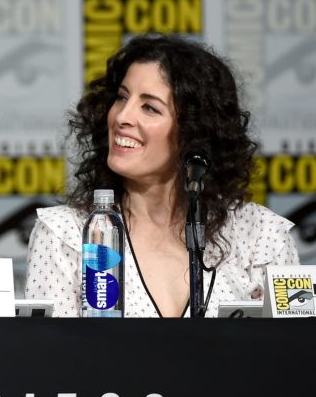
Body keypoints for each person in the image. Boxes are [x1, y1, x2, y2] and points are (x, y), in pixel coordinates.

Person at [25, 34, 299, 317]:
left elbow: (290, 352)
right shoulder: (66, 233)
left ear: (194, 131)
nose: (121, 117)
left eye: (149, 107)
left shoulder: (261, 235)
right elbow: (51, 356)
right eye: (121, 98)